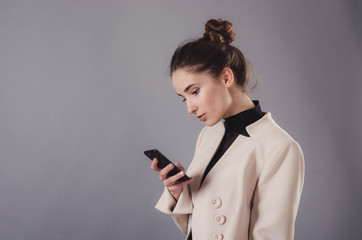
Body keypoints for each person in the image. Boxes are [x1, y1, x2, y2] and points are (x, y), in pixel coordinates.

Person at [150, 19, 304, 240]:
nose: (190, 108)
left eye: (194, 91)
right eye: (183, 98)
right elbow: (202, 227)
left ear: (226, 77)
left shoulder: (280, 148)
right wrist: (177, 191)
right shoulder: (209, 135)